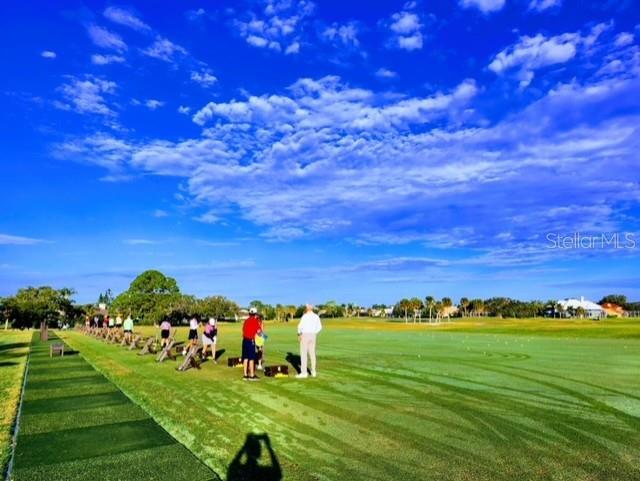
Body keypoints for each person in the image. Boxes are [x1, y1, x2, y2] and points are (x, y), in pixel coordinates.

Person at [297, 304, 322, 379]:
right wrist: (314, 332)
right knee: (312, 353)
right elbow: (320, 327)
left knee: (303, 353)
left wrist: (299, 334)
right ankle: (313, 372)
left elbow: (299, 326)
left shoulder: (304, 316)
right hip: (313, 335)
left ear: (308, 308)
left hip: (305, 335)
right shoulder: (316, 316)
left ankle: (304, 373)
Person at [242, 308, 262, 381]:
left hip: (244, 341)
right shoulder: (255, 321)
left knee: (245, 358)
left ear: (249, 314)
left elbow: (243, 330)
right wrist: (263, 338)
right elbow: (259, 332)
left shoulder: (246, 321)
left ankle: (245, 375)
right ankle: (252, 376)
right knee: (251, 358)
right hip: (251, 341)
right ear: (255, 314)